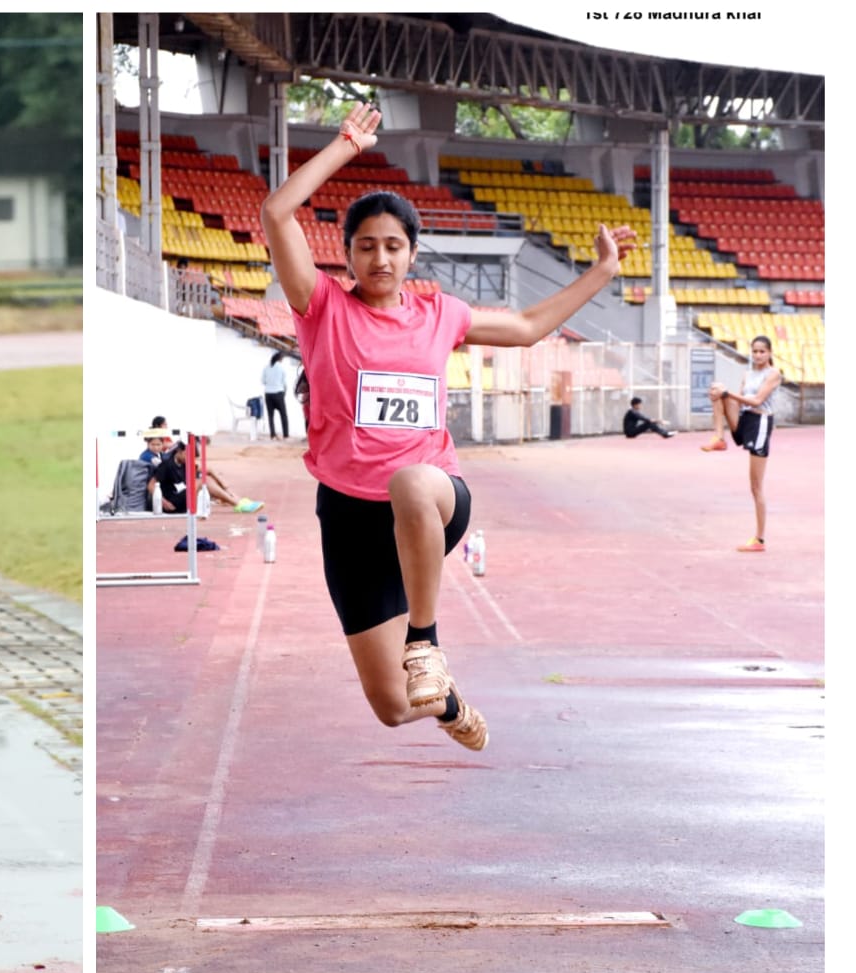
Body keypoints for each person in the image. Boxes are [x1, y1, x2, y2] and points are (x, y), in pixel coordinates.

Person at [260, 101, 638, 751]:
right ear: (346, 253)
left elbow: (523, 328)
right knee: (392, 707)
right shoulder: (319, 306)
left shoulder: (441, 315)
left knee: (411, 480)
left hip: (432, 501)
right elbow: (275, 213)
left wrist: (601, 272)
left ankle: (426, 641)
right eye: (366, 246)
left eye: (394, 246)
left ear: (412, 254)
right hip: (350, 519)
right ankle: (447, 698)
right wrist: (346, 146)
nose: (380, 258)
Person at [700, 335, 781, 552]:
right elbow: (739, 399)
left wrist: (729, 394)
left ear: (770, 353)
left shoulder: (773, 374)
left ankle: (759, 540)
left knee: (756, 487)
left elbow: (756, 401)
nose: (757, 355)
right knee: (717, 388)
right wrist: (723, 394)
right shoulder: (748, 374)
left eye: (762, 351)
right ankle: (719, 437)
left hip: (760, 422)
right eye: (754, 351)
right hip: (745, 420)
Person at [148, 440, 264, 514]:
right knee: (202, 481)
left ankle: (236, 499)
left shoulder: (185, 463)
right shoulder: (167, 465)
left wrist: (226, 487)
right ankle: (238, 504)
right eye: (188, 455)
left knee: (207, 479)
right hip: (172, 502)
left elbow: (208, 470)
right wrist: (163, 502)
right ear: (179, 451)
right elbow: (151, 485)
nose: (190, 458)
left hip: (184, 498)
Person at [262, 351, 291, 439]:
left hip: (268, 394)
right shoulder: (281, 368)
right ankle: (285, 435)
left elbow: (263, 381)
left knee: (270, 415)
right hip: (278, 393)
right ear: (280, 359)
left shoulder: (266, 368)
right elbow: (284, 382)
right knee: (283, 415)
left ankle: (272, 435)